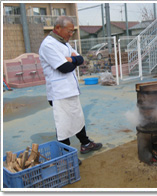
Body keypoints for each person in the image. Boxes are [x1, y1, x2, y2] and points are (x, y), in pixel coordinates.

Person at [39, 16, 102, 164]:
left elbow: (81, 59)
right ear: (58, 28)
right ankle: (65, 155)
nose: (71, 34)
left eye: (73, 32)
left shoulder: (64, 43)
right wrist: (72, 61)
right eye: (69, 31)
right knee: (63, 123)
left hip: (70, 89)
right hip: (59, 92)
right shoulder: (48, 45)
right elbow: (65, 67)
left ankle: (85, 143)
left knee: (77, 117)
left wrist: (72, 59)